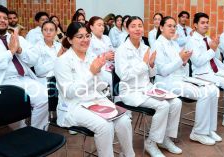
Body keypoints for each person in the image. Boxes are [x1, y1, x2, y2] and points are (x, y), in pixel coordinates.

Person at [54, 22, 135, 157]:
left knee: (124, 119)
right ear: (69, 39)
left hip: (96, 100)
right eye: (80, 37)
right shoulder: (62, 61)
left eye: (87, 36)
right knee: (105, 126)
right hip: (74, 105)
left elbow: (102, 86)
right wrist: (91, 73)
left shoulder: (91, 56)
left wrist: (99, 73)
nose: (85, 40)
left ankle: (128, 154)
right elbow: (69, 92)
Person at [115, 16, 182, 157]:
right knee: (163, 106)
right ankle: (151, 142)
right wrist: (143, 63)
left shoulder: (146, 48)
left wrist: (151, 65)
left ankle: (165, 138)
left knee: (176, 102)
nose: (138, 29)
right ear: (127, 29)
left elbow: (152, 72)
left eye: (140, 25)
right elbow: (124, 76)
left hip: (147, 87)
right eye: (133, 26)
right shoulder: (121, 50)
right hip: (131, 91)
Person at [0, 4, 48, 140]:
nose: (3, 20)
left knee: (43, 97)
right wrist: (10, 52)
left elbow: (34, 59)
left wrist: (19, 50)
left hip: (22, 79)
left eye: (5, 18)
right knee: (2, 108)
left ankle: (36, 135)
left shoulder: (16, 37)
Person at [154, 16, 221, 145]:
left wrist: (184, 62)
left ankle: (209, 129)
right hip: (166, 82)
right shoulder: (158, 44)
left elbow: (182, 65)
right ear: (161, 27)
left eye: (174, 26)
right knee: (204, 93)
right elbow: (163, 71)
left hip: (180, 78)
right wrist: (181, 60)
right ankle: (198, 132)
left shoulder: (174, 43)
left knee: (213, 89)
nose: (173, 28)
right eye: (169, 26)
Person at [185, 12, 224, 130]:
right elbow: (198, 62)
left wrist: (216, 46)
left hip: (214, 70)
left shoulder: (207, 38)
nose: (206, 25)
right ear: (195, 25)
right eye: (202, 23)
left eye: (207, 22)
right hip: (201, 74)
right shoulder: (191, 41)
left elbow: (215, 58)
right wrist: (212, 49)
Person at [33, 21, 64, 85]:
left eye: (51, 30)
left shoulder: (60, 46)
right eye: (45, 30)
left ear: (55, 32)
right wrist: (57, 58)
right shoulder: (36, 47)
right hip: (44, 81)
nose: (48, 32)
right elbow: (39, 71)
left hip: (61, 78)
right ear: (42, 32)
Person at [88, 16, 114, 92]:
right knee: (111, 79)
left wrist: (114, 54)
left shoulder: (106, 38)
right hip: (100, 68)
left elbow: (112, 50)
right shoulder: (89, 39)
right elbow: (89, 57)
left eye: (103, 25)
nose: (102, 27)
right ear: (91, 27)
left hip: (111, 65)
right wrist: (105, 57)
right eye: (99, 25)